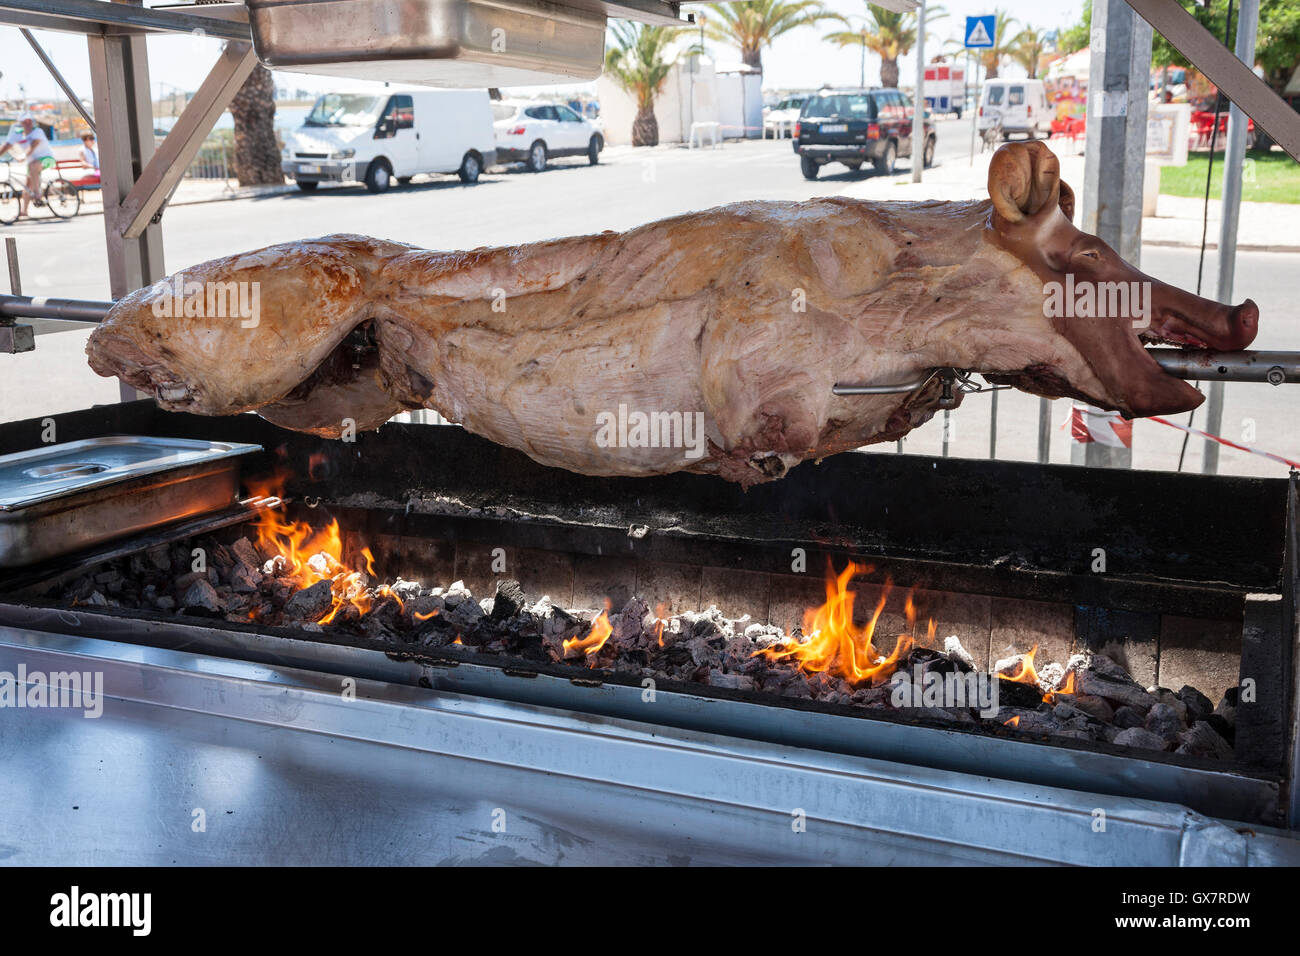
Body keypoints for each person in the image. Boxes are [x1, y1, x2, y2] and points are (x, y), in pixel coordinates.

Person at [0, 113, 55, 218]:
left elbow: (34, 144)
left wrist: (24, 156)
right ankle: (24, 211)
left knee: (33, 166)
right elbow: (6, 146)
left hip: (47, 159)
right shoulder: (17, 134)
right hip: (32, 163)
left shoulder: (37, 131)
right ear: (21, 123)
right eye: (25, 121)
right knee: (27, 186)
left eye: (29, 121)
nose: (28, 123)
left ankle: (38, 195)